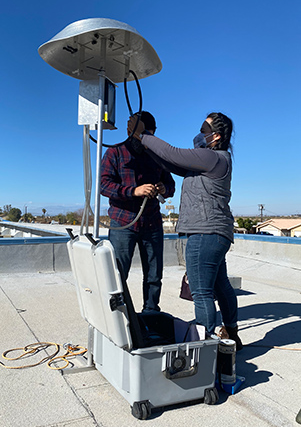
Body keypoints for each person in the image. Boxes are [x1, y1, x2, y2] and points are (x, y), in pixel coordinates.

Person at [128, 111, 242, 349]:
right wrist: (144, 143)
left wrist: (143, 134)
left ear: (217, 136)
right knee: (221, 286)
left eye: (204, 129)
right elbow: (170, 161)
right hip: (216, 234)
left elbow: (174, 153)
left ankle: (207, 349)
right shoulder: (212, 160)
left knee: (201, 293)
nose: (200, 134)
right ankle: (231, 336)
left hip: (204, 233)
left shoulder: (213, 158)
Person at [100, 111, 175, 313]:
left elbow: (171, 185)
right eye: (136, 131)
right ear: (128, 129)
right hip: (123, 224)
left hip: (151, 223)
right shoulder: (115, 152)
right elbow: (103, 185)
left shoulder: (157, 155)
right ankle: (118, 316)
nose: (141, 138)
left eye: (145, 134)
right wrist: (133, 191)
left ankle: (151, 312)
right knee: (118, 273)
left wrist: (163, 189)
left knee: (153, 274)